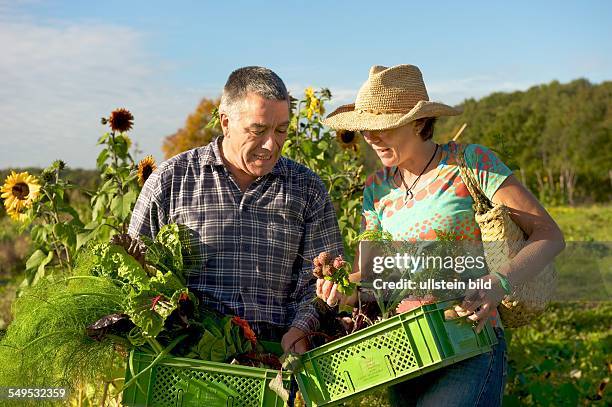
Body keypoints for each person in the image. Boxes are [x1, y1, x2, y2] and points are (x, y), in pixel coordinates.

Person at [317, 64, 565, 406]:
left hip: (469, 341)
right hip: (405, 352)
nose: (371, 138)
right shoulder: (377, 188)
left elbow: (549, 235)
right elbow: (372, 275)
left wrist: (498, 282)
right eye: (366, 130)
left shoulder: (471, 163)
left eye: (383, 127)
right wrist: (341, 286)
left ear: (419, 122)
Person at [128, 66, 344, 354]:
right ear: (225, 122)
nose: (271, 144)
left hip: (272, 359)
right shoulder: (171, 181)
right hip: (185, 357)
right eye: (258, 130)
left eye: (281, 130)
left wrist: (301, 326)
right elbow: (134, 273)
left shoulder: (306, 189)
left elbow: (320, 280)